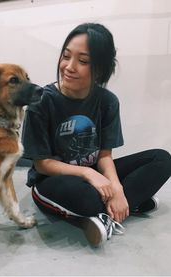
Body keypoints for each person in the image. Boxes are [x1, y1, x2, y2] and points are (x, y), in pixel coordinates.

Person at [21, 22, 171, 247]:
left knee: (161, 160)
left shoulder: (107, 101)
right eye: (66, 56)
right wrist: (88, 174)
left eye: (82, 61)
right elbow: (42, 164)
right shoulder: (41, 102)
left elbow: (104, 156)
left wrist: (117, 188)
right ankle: (127, 205)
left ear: (100, 68)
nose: (69, 67)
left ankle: (110, 211)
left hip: (92, 174)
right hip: (51, 180)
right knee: (88, 198)